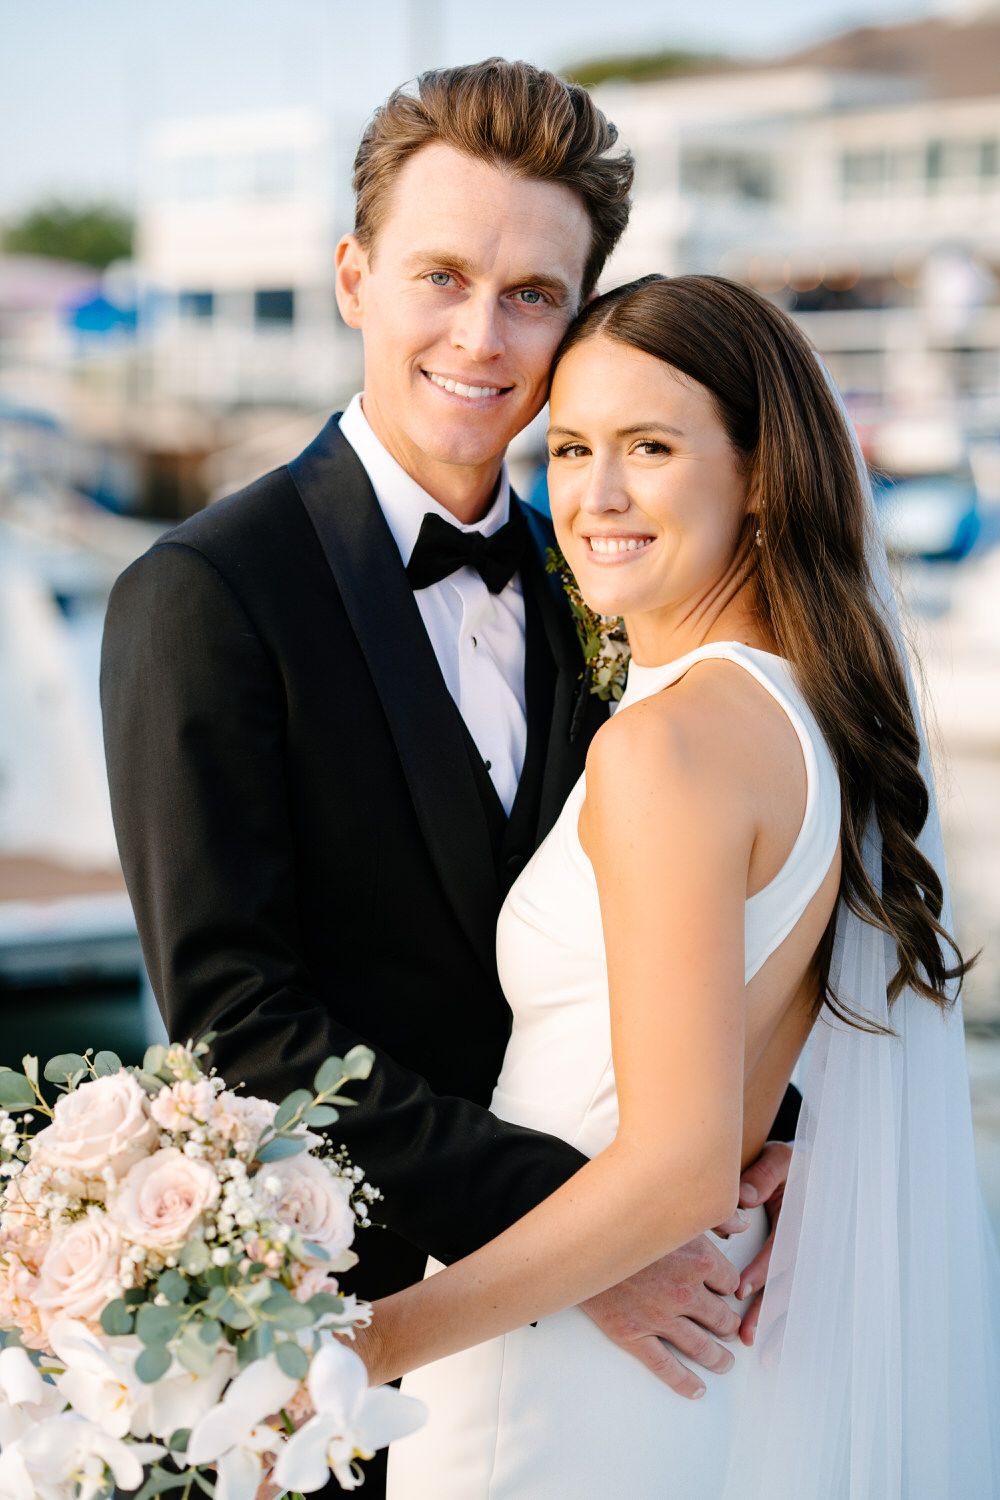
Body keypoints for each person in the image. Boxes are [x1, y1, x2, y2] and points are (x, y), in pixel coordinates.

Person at [99, 63, 798, 1497]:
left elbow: (719, 879)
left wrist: (761, 1130)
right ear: (355, 277)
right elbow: (240, 1020)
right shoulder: (205, 593)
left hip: (647, 1342)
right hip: (366, 1352)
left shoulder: (595, 575)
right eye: (441, 276)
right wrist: (593, 1236)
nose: (482, 336)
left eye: (534, 294)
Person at [335, 273, 999, 1498]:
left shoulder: (667, 746)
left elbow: (676, 1164)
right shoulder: (807, 719)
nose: (590, 496)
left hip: (544, 1365)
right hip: (659, 1357)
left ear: (758, 474)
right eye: (571, 446)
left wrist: (356, 1351)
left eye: (648, 446)